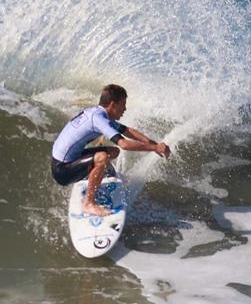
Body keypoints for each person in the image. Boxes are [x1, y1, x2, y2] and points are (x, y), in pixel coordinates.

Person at [51, 84, 171, 216]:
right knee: (102, 157)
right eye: (123, 104)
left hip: (71, 157)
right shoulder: (98, 119)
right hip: (62, 169)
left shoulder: (97, 112)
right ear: (113, 105)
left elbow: (128, 131)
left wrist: (154, 145)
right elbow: (124, 144)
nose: (125, 109)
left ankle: (96, 175)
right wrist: (154, 148)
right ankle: (88, 204)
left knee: (113, 152)